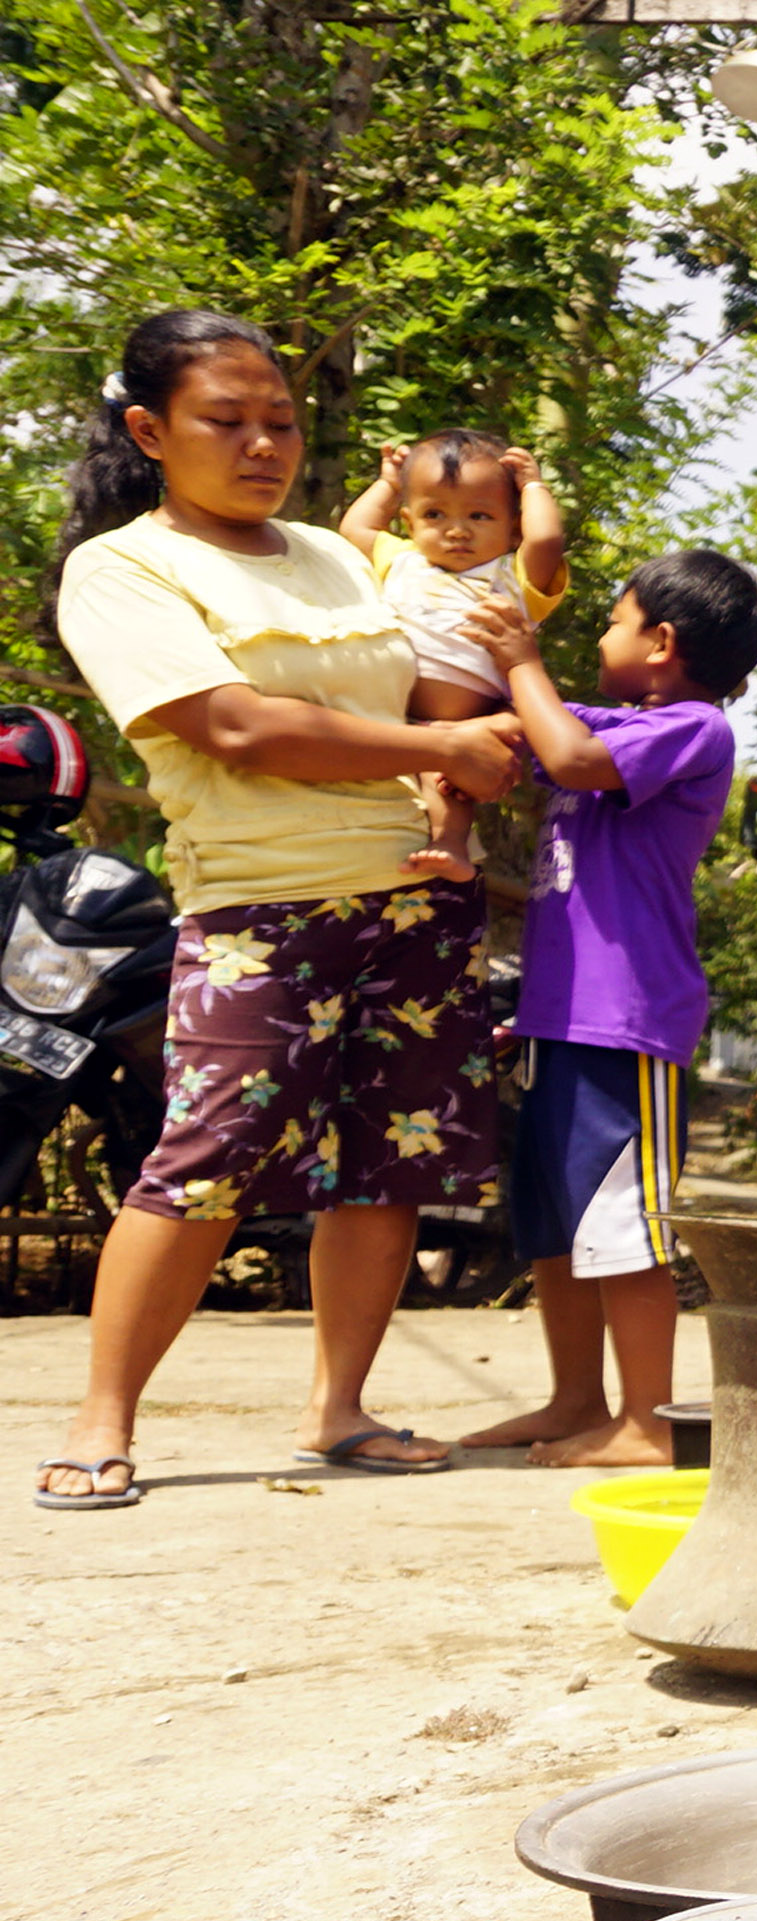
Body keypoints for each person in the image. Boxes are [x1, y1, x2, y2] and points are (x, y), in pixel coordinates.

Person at [35, 309, 525, 1511]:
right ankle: (104, 1417)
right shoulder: (123, 567)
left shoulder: (339, 555)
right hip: (259, 904)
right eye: (228, 421)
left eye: (283, 423)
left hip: (412, 900)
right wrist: (438, 741)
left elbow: (435, 671)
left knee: (391, 1162)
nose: (264, 445)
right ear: (151, 430)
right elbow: (231, 724)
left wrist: (477, 751)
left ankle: (339, 1407)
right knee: (203, 1161)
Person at [450, 551, 757, 1469]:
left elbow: (571, 755)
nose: (599, 637)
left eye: (614, 619)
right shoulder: (618, 721)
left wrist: (519, 656)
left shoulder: (693, 729)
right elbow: (535, 730)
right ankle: (574, 1399)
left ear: (660, 643)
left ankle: (650, 1420)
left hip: (625, 1023)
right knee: (553, 1220)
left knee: (625, 1228)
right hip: (560, 1018)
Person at [336, 430, 568, 883]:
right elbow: (354, 531)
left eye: (480, 516)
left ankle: (449, 844)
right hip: (384, 714)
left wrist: (534, 487)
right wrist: (386, 482)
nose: (456, 530)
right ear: (408, 522)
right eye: (434, 514)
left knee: (450, 784)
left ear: (513, 526)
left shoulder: (514, 578)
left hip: (468, 725)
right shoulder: (401, 561)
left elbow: (546, 541)